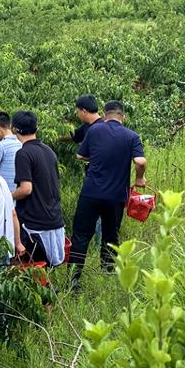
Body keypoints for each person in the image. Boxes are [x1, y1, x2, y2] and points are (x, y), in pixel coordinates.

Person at [71, 101, 147, 284]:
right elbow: (141, 161)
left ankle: (73, 281)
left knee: (81, 236)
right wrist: (139, 179)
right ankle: (108, 275)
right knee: (110, 236)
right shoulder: (132, 136)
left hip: (91, 193)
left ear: (105, 115)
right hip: (116, 197)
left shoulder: (95, 131)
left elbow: (80, 155)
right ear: (123, 116)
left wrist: (96, 156)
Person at [10, 110, 66, 266]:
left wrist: (7, 196)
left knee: (29, 268)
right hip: (53, 217)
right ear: (37, 127)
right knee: (45, 269)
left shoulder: (23, 153)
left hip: (33, 222)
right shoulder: (49, 151)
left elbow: (26, 189)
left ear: (14, 129)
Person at [69, 94, 103, 267]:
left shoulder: (101, 128)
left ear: (83, 110)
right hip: (91, 177)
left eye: (77, 111)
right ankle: (96, 247)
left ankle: (98, 248)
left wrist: (89, 156)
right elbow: (74, 136)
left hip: (100, 180)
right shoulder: (86, 127)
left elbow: (82, 154)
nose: (76, 114)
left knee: (97, 216)